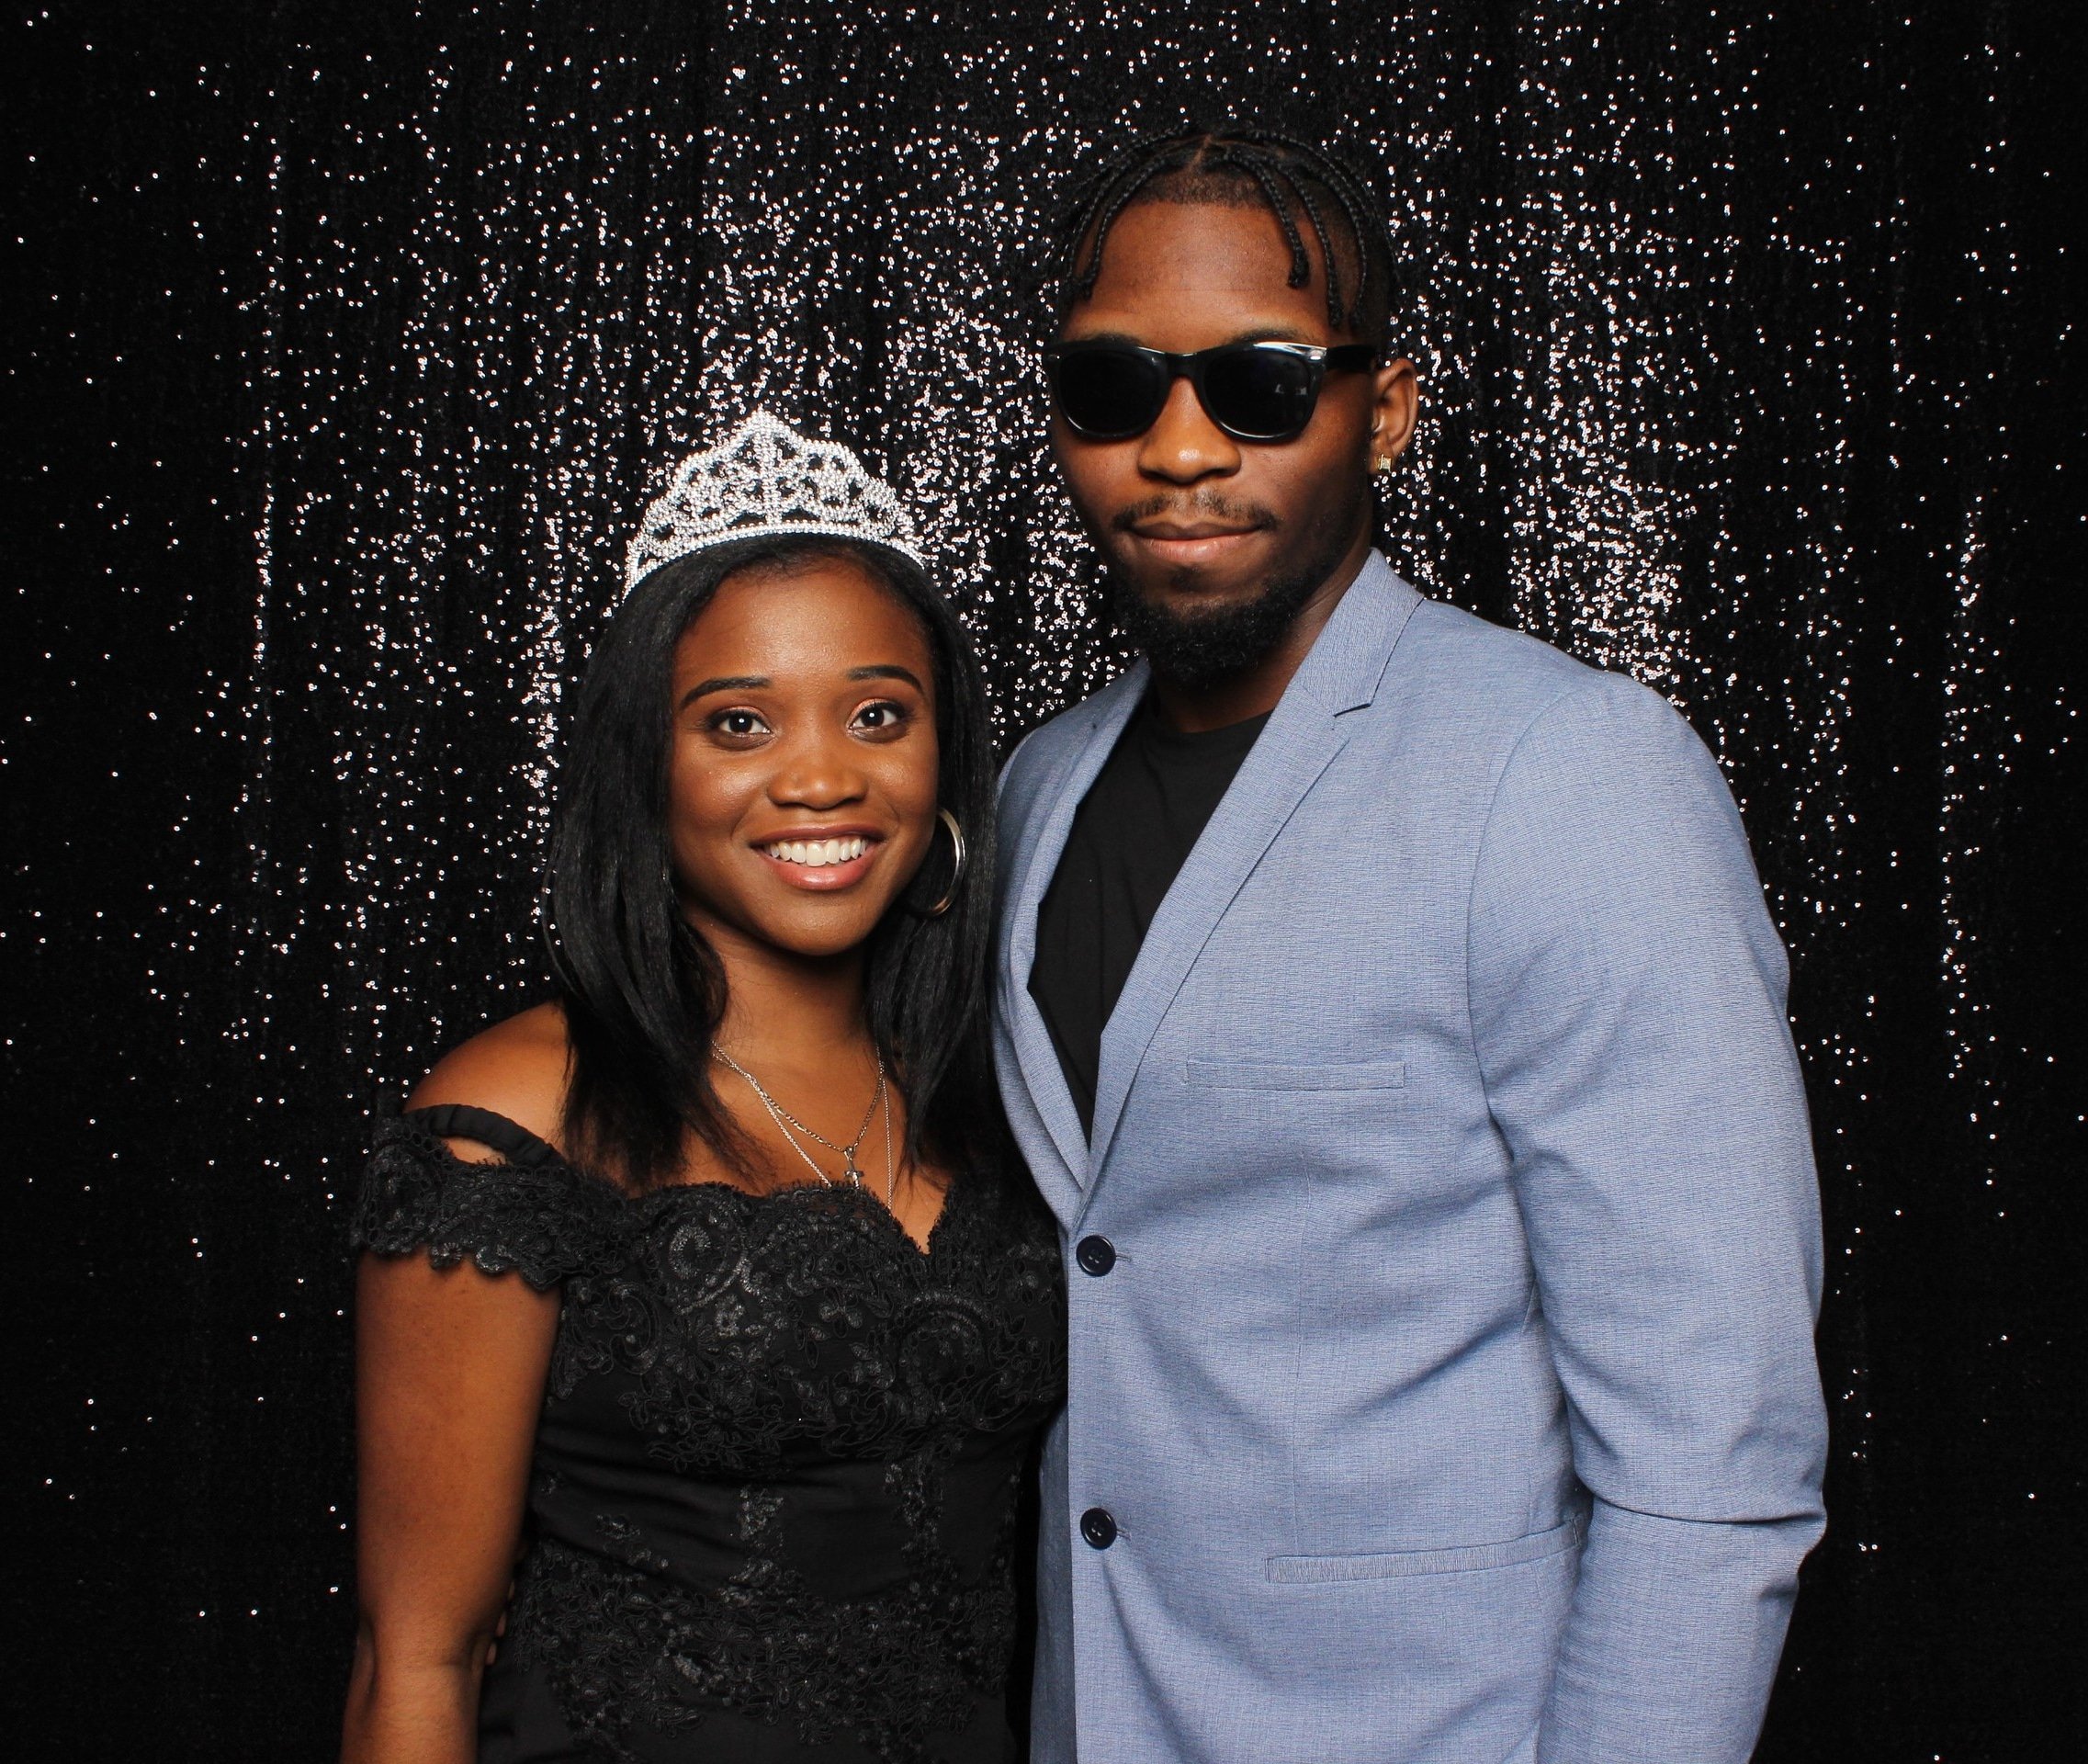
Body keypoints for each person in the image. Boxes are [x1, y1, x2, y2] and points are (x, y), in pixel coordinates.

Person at [993, 128, 1827, 1763]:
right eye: (1114, 391)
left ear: (1383, 409)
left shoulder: (1568, 771)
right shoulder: (1031, 783)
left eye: (1256, 385)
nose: (1176, 450)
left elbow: (1709, 1458)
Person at [343, 413, 1066, 1764]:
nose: (820, 777)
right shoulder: (519, 1112)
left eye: (877, 715)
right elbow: (418, 1657)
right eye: (738, 723)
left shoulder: (1002, 1083)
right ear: (647, 769)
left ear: (941, 757)